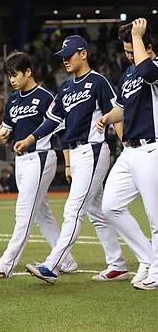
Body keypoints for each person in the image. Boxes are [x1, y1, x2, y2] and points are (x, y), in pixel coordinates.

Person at [16, 35, 149, 284]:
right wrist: (30, 139)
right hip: (77, 154)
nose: (65, 60)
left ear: (83, 53)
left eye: (69, 55)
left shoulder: (98, 82)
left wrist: (124, 141)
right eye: (63, 57)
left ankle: (51, 265)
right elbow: (53, 120)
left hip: (94, 150)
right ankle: (117, 264)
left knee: (73, 210)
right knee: (97, 212)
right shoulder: (66, 87)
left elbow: (116, 111)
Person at [0, 52, 77, 278]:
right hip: (21, 160)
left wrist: (68, 163)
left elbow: (61, 129)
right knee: (41, 214)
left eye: (15, 75)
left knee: (24, 212)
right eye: (9, 76)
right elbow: (2, 131)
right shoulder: (13, 99)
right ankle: (66, 260)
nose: (11, 80)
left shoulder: (46, 96)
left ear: (28, 72)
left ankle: (6, 264)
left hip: (41, 156)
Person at [98, 19, 156, 289]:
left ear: (148, 46)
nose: (129, 55)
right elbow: (122, 107)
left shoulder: (152, 66)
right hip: (130, 150)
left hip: (152, 148)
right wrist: (108, 117)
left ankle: (156, 270)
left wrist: (137, 35)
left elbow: (147, 70)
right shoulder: (129, 74)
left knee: (155, 216)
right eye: (127, 50)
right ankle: (148, 259)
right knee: (110, 206)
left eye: (132, 49)